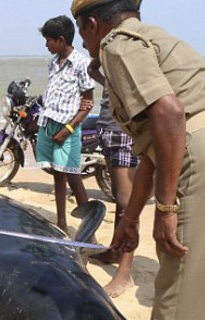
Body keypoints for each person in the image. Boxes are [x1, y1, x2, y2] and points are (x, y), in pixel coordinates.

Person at [72, 0, 205, 320]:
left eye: (81, 32)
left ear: (91, 24)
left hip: (196, 154)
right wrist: (129, 221)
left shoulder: (116, 44)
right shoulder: (153, 38)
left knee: (178, 294)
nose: (84, 43)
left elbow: (171, 115)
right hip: (189, 145)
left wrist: (165, 209)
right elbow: (151, 153)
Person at [36, 15, 95, 234]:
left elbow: (87, 103)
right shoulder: (53, 63)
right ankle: (61, 223)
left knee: (73, 176)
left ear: (61, 40)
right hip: (49, 123)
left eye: (48, 40)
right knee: (58, 174)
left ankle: (90, 232)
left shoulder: (81, 63)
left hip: (67, 128)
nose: (46, 45)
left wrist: (68, 130)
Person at [87, 57, 137, 298]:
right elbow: (103, 79)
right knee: (119, 199)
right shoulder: (110, 57)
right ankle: (115, 251)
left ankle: (125, 273)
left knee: (128, 204)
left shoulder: (126, 54)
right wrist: (97, 68)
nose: (86, 48)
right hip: (107, 130)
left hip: (124, 133)